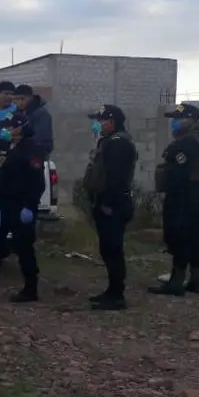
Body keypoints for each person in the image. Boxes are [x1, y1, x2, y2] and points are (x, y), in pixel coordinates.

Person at [0, 112, 47, 303]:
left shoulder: (32, 149)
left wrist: (30, 206)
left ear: (20, 127)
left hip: (21, 206)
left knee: (24, 249)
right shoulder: (6, 147)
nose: (6, 130)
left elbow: (38, 182)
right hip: (3, 204)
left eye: (10, 126)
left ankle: (30, 289)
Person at [81, 104, 137, 310]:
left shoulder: (118, 144)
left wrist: (107, 204)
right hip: (106, 202)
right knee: (107, 249)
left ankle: (117, 294)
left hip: (113, 204)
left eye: (100, 120)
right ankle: (112, 290)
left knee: (113, 249)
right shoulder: (109, 142)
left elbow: (115, 179)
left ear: (111, 122)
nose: (98, 125)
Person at [149, 103, 199, 296]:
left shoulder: (184, 143)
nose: (174, 123)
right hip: (195, 196)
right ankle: (196, 281)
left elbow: (177, 173)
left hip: (183, 197)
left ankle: (176, 282)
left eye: (178, 119)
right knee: (196, 238)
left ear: (190, 120)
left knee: (179, 237)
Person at [13, 84, 54, 155]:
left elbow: (42, 139)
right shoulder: (17, 112)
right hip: (21, 151)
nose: (20, 102)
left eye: (22, 99)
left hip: (37, 153)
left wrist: (20, 139)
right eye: (17, 99)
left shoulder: (41, 114)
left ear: (31, 97)